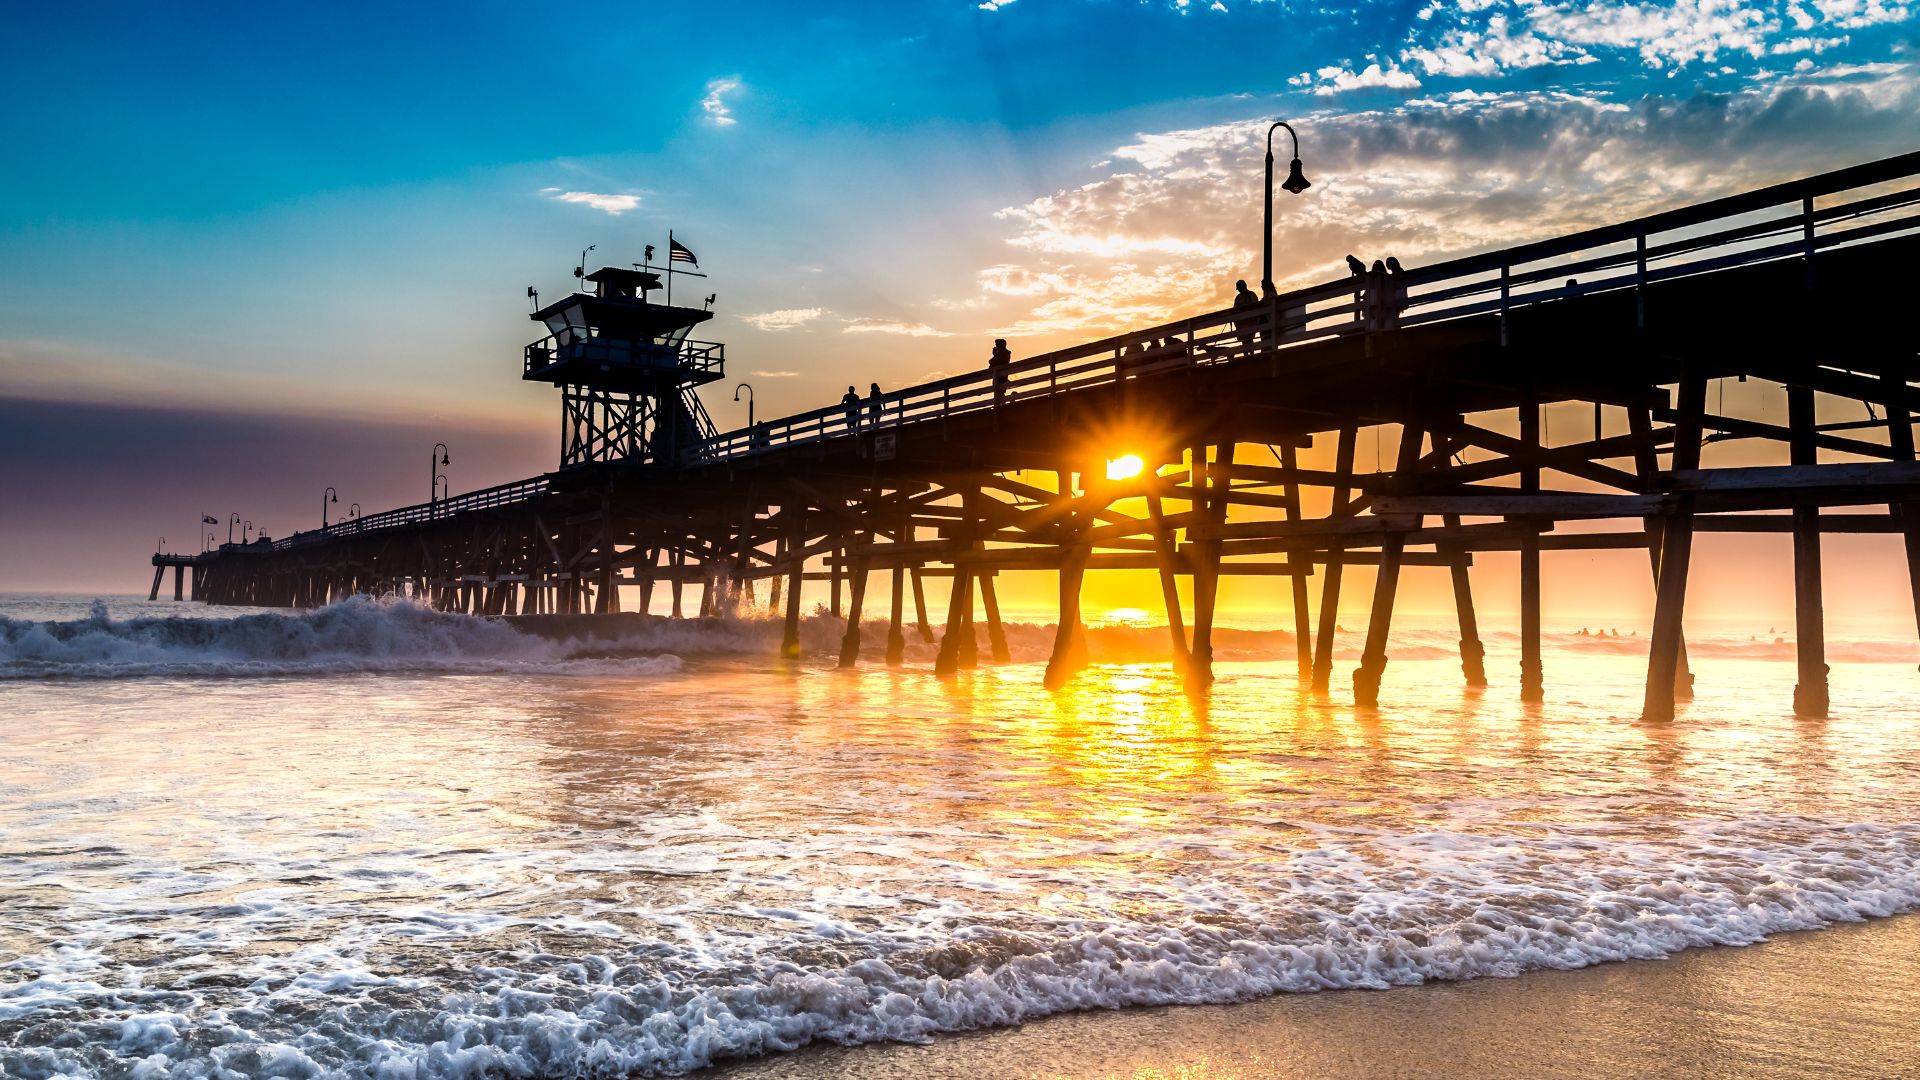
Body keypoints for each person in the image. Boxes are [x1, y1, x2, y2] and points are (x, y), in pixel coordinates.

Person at [1231, 279, 1258, 346]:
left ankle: (1252, 355)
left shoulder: (1251, 294)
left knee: (1249, 339)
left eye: (1239, 288)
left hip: (1250, 322)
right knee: (1244, 341)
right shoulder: (1238, 297)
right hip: (1241, 324)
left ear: (1244, 286)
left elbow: (1256, 306)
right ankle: (1247, 354)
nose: (1239, 290)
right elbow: (1234, 309)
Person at [989, 338, 1012, 404]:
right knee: (1000, 393)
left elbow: (991, 362)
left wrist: (995, 355)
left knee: (999, 393)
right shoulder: (1004, 354)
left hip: (1001, 377)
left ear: (1001, 346)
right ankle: (1001, 405)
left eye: (997, 345)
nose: (996, 347)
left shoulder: (1003, 354)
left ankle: (1001, 406)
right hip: (1000, 376)